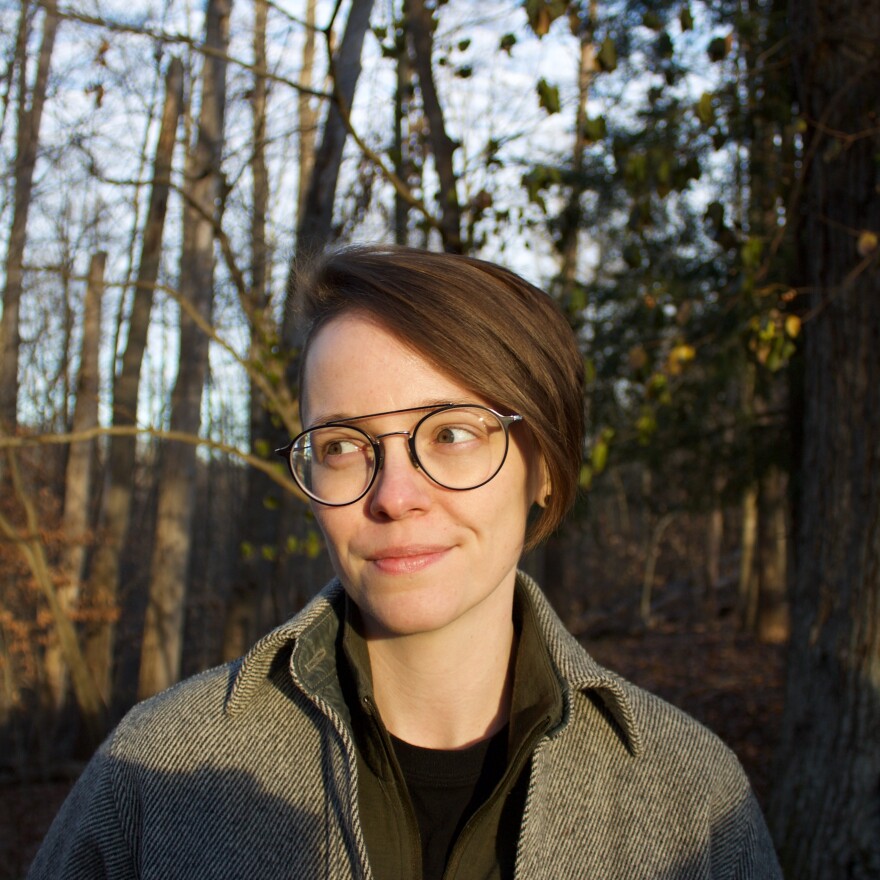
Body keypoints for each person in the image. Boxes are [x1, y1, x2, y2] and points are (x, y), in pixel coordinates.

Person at [28, 245, 782, 879]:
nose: (394, 496)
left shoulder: (692, 801)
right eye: (343, 446)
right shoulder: (158, 776)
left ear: (544, 464)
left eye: (452, 433)